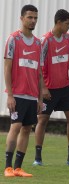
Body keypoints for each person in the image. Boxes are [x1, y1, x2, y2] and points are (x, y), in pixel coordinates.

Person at [32, 9, 69, 166]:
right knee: (42, 120)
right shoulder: (45, 41)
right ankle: (37, 158)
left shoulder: (67, 38)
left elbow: (68, 59)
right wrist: (43, 88)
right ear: (58, 22)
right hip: (49, 88)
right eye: (67, 23)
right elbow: (39, 66)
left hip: (64, 86)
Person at [3, 4, 43, 177]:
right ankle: (7, 167)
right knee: (16, 126)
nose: (33, 20)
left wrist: (40, 99)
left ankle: (18, 168)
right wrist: (10, 95)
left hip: (32, 95)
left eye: (35, 18)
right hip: (17, 94)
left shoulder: (38, 43)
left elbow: (39, 73)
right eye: (29, 17)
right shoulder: (14, 39)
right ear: (21, 18)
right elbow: (7, 68)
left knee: (27, 128)